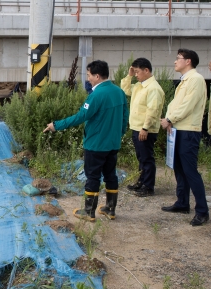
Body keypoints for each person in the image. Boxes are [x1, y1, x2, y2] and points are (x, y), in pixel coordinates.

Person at [44, 60, 129, 221]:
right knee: (111, 175)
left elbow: (81, 117)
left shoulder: (96, 95)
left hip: (96, 144)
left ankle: (89, 211)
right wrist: (120, 134)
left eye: (89, 75)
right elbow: (125, 116)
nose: (88, 78)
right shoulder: (119, 92)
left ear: (97, 76)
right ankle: (110, 209)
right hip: (113, 143)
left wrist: (56, 125)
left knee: (93, 176)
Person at [160, 49, 208, 226]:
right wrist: (169, 120)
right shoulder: (185, 80)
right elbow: (175, 104)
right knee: (179, 168)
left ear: (188, 61)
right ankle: (182, 203)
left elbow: (188, 106)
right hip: (178, 129)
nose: (175, 62)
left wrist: (170, 119)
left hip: (188, 131)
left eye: (178, 59)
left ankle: (202, 211)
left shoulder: (195, 79)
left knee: (190, 171)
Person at [120, 58, 165, 197]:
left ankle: (148, 186)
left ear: (147, 70)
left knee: (146, 158)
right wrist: (129, 75)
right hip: (137, 127)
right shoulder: (140, 86)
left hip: (145, 130)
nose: (136, 74)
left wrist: (145, 128)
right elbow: (125, 89)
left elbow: (153, 110)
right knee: (141, 157)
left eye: (138, 72)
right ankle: (141, 181)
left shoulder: (154, 88)